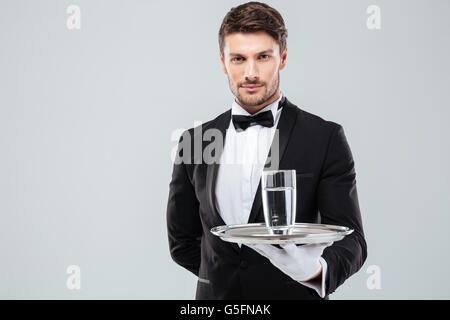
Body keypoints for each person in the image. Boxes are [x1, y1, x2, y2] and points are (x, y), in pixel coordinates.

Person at [166, 1, 367, 300]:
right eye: (238, 58)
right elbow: (182, 241)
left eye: (263, 57)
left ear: (283, 57)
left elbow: (353, 241)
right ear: (223, 62)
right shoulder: (195, 141)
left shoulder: (324, 137)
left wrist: (311, 271)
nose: (251, 72)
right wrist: (224, 277)